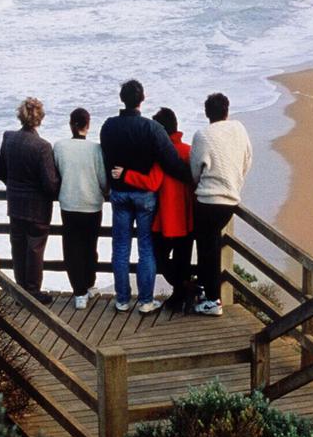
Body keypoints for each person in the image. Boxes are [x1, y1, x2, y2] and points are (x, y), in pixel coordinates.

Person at [100, 79, 190, 314]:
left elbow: (106, 158)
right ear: (142, 98)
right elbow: (170, 162)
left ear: (122, 98)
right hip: (145, 196)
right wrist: (191, 177)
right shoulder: (151, 128)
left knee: (120, 247)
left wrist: (115, 180)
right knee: (146, 248)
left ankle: (121, 299)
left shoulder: (108, 126)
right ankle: (146, 301)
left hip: (119, 193)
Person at [190, 92, 252, 316]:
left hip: (207, 200)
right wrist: (235, 182)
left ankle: (212, 300)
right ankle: (211, 296)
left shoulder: (202, 135)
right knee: (213, 245)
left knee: (206, 249)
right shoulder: (239, 129)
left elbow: (195, 170)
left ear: (207, 114)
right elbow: (247, 159)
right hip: (230, 199)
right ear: (227, 110)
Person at [0, 97, 60, 304]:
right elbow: (50, 184)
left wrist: (15, 187)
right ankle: (32, 292)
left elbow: (0, 172)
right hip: (37, 208)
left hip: (15, 204)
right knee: (34, 249)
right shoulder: (42, 147)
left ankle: (20, 291)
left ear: (20, 116)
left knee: (18, 246)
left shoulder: (9, 138)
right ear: (39, 119)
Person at [54, 107, 107, 310]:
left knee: (72, 249)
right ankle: (89, 284)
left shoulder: (59, 147)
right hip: (92, 204)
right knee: (89, 247)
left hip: (69, 203)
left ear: (71, 124)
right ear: (88, 125)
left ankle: (79, 293)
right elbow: (103, 179)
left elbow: (56, 175)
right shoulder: (96, 149)